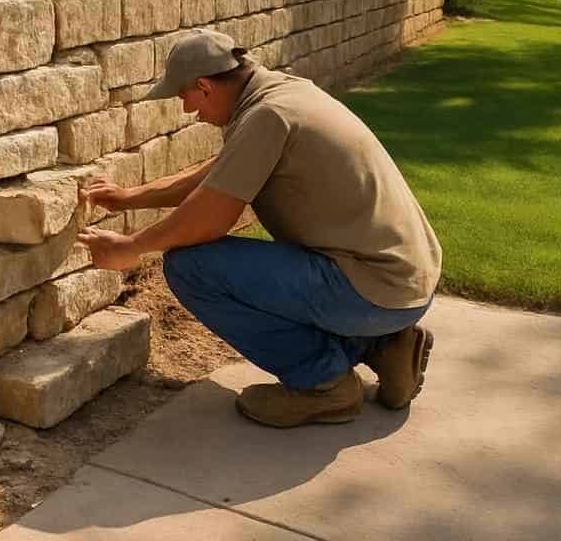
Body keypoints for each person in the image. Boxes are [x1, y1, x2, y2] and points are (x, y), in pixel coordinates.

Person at [78, 28, 440, 428]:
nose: (186, 110)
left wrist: (132, 246)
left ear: (203, 86)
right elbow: (217, 175)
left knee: (191, 267)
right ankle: (387, 348)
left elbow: (211, 218)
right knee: (243, 267)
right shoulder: (284, 93)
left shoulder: (268, 116)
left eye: (183, 96)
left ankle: (324, 385)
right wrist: (129, 197)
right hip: (401, 283)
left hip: (376, 291)